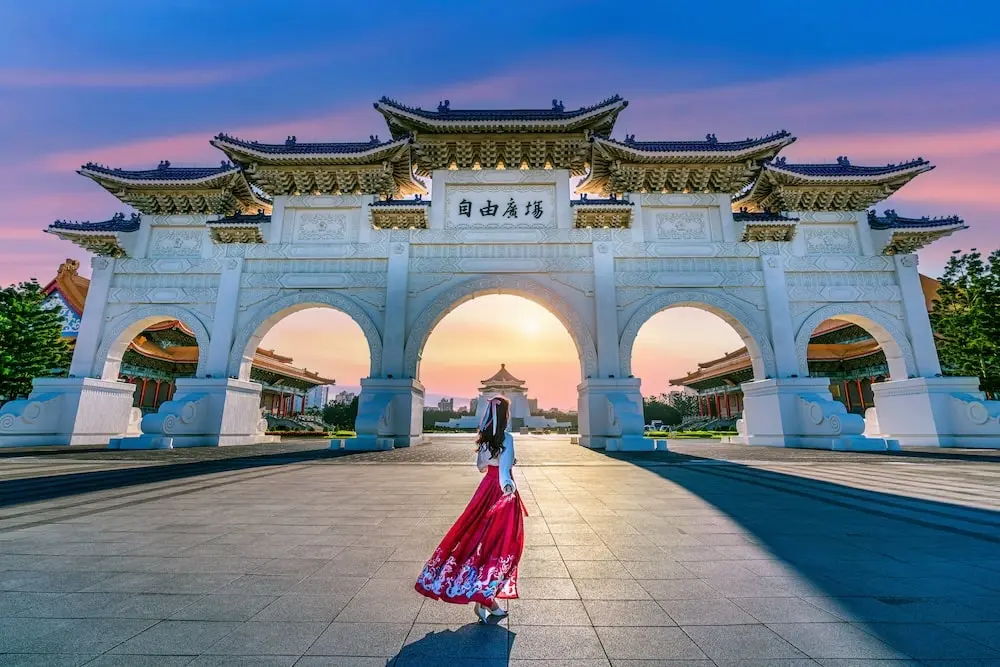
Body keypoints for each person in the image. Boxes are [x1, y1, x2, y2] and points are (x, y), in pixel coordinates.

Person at [414, 395, 526, 623]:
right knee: (503, 546)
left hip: (484, 491)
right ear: (506, 415)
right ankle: (486, 599)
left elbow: (481, 467)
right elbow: (504, 471)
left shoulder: (485, 440)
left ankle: (485, 600)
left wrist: (497, 466)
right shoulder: (508, 438)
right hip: (502, 496)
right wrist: (508, 484)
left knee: (476, 540)